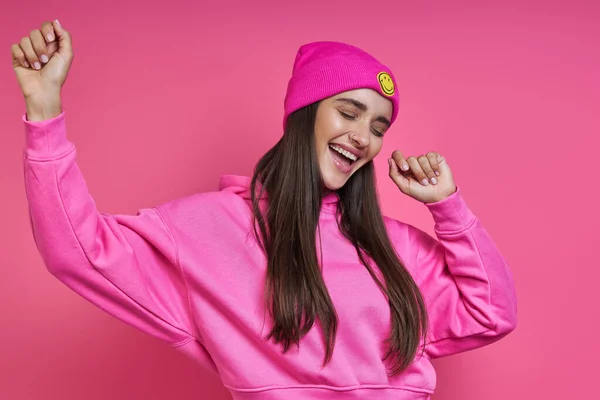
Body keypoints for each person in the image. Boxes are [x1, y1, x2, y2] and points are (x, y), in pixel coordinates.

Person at [12, 19, 517, 400]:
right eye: (348, 112)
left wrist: (448, 209)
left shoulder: (393, 245)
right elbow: (78, 253)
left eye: (379, 127)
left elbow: (492, 314)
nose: (363, 138)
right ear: (305, 113)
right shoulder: (212, 229)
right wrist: (43, 112)